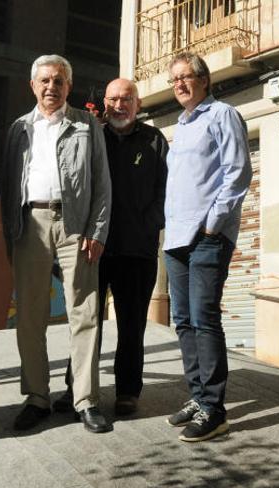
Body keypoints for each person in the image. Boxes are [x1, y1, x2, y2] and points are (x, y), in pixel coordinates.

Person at [1, 54, 112, 433]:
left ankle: (85, 400)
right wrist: (10, 234)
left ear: (69, 86)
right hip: (30, 224)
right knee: (30, 316)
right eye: (45, 81)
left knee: (84, 312)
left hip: (75, 226)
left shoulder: (85, 125)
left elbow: (102, 182)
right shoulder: (18, 128)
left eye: (59, 81)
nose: (51, 87)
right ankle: (37, 397)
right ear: (33, 86)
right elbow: (8, 184)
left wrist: (97, 231)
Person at [52, 78, 167, 416]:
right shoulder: (92, 137)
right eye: (114, 99)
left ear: (138, 103)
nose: (119, 105)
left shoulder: (154, 141)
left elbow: (165, 191)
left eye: (126, 99)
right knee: (86, 322)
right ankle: (77, 388)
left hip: (137, 251)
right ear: (105, 102)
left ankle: (128, 391)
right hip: (92, 248)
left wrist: (148, 225)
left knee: (132, 325)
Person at [163, 53, 251, 442]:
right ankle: (198, 397)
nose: (180, 84)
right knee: (182, 321)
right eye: (175, 79)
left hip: (205, 237)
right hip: (176, 237)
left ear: (204, 80)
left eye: (186, 77)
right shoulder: (181, 125)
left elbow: (238, 172)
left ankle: (214, 409)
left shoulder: (222, 115)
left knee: (204, 318)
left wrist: (213, 225)